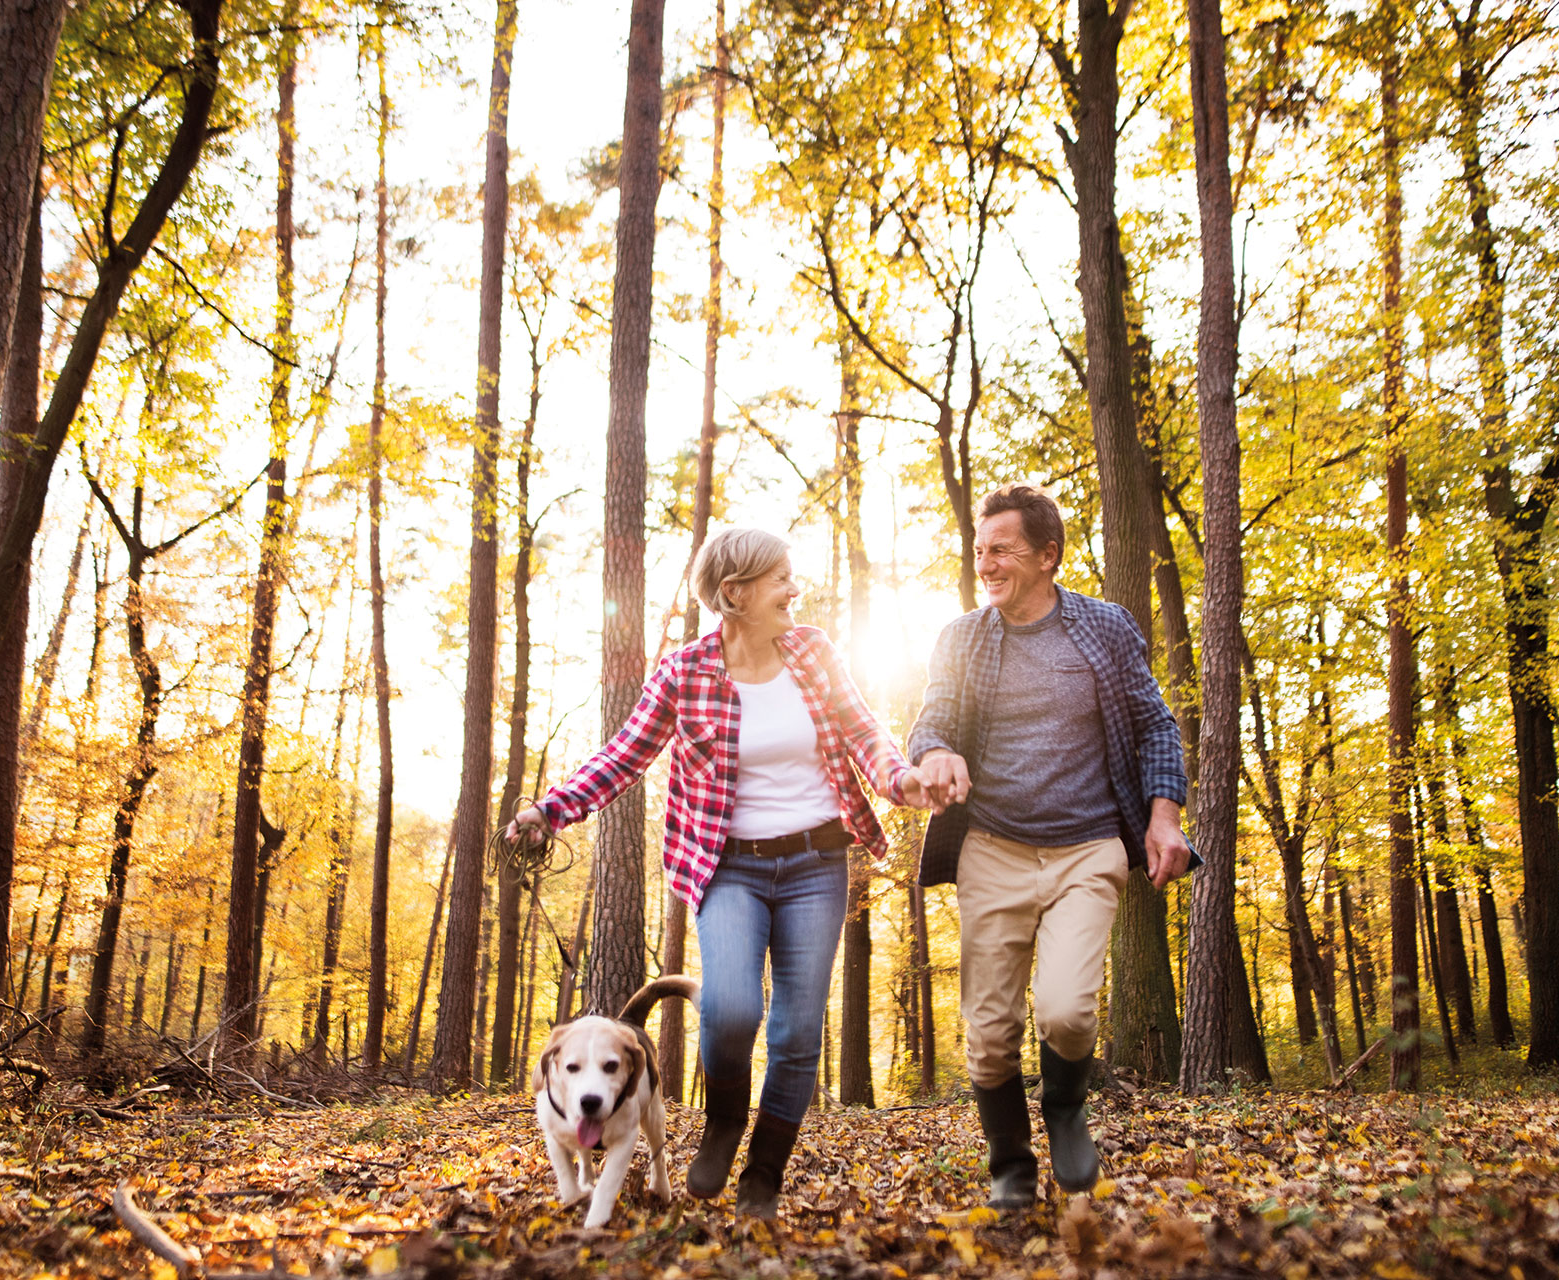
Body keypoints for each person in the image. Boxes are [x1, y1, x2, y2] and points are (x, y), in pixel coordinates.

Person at [511, 527, 930, 1219]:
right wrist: (548, 812)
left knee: (797, 1032)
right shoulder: (685, 673)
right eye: (780, 579)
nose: (795, 590)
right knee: (731, 1008)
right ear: (735, 594)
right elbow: (622, 756)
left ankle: (764, 1168)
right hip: (728, 866)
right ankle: (726, 1119)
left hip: (817, 861)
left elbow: (866, 734)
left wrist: (904, 781)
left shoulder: (814, 652)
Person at [909, 482, 1193, 1210]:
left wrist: (1163, 818)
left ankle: (1065, 1110)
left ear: (1047, 556)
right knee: (991, 1029)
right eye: (980, 550)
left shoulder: (1104, 628)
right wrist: (937, 752)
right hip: (993, 849)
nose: (988, 562)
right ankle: (1010, 1160)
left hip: (1087, 847)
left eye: (1001, 549)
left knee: (1066, 1010)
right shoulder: (963, 637)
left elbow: (1157, 724)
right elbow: (932, 718)